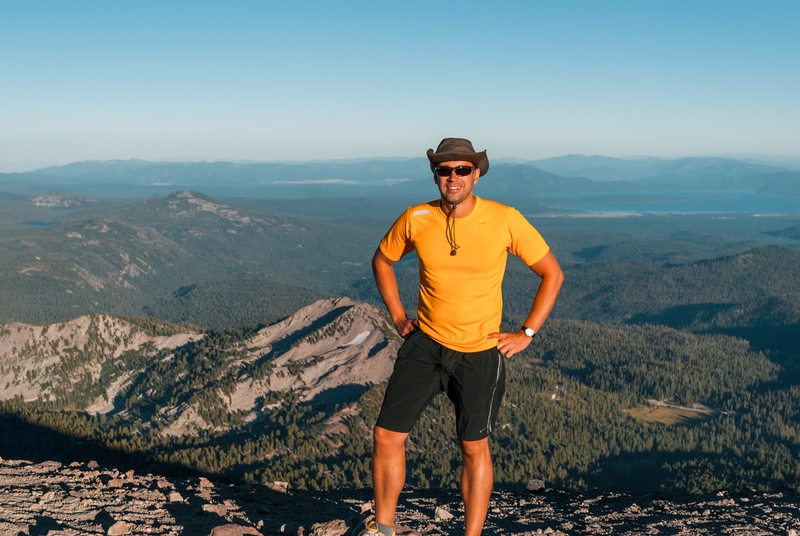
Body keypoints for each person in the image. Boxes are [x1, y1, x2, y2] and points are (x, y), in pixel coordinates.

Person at [361, 138, 564, 536]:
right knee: (386, 435)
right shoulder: (416, 217)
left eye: (462, 170)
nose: (452, 178)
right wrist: (399, 317)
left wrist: (526, 333)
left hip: (479, 352)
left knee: (473, 447)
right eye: (444, 170)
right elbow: (382, 260)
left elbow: (552, 273)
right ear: (435, 174)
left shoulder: (505, 219)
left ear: (476, 174)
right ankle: (382, 528)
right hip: (425, 344)